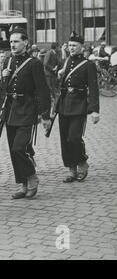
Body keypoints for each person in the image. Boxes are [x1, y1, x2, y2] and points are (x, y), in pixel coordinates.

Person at [1, 27, 51, 200]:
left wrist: (45, 115)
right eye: (11, 42)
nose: (13, 45)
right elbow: (3, 90)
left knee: (19, 148)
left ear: (26, 43)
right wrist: (3, 77)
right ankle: (23, 184)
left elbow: (43, 91)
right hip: (11, 110)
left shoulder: (34, 63)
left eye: (16, 41)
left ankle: (32, 177)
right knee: (13, 150)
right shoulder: (8, 62)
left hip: (27, 109)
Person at [56, 32, 99, 183]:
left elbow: (93, 88)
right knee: (64, 140)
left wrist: (95, 110)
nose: (71, 48)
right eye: (70, 45)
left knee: (74, 138)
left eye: (75, 46)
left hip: (79, 105)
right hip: (64, 105)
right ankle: (71, 169)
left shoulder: (88, 65)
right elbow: (61, 85)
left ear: (82, 47)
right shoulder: (66, 61)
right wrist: (60, 75)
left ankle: (82, 161)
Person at [44, 43, 61, 116]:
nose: (59, 48)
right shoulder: (49, 53)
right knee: (49, 91)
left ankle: (53, 110)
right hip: (48, 75)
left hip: (53, 75)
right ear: (56, 47)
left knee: (53, 91)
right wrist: (52, 69)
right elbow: (45, 63)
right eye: (59, 47)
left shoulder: (55, 53)